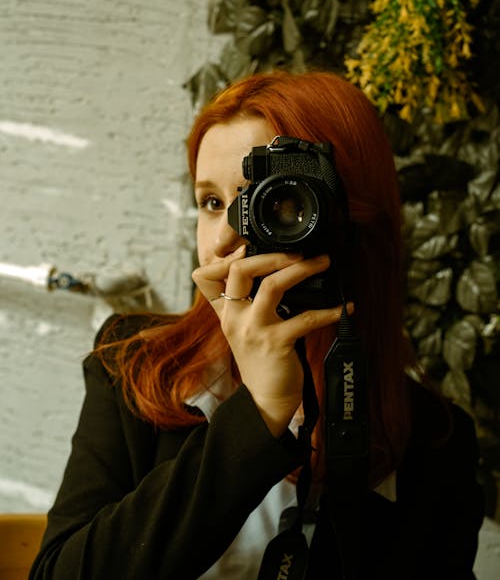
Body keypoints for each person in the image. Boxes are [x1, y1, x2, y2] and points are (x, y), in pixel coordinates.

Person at [29, 70, 484, 580]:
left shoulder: (435, 442)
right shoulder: (132, 363)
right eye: (212, 202)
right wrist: (257, 418)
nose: (222, 239)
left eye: (272, 204)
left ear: (348, 218)